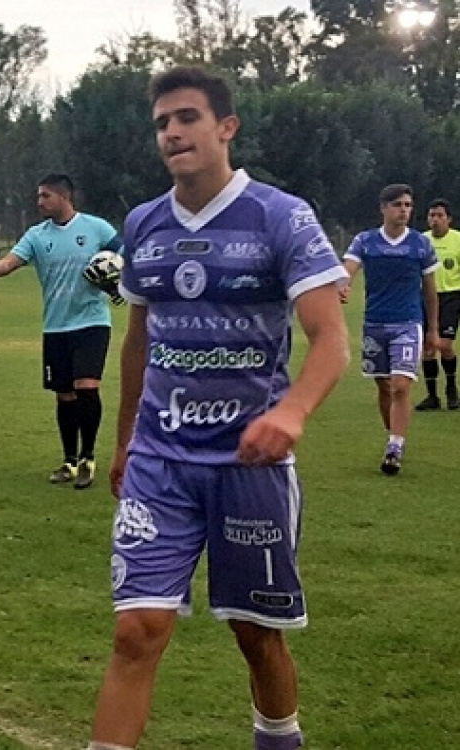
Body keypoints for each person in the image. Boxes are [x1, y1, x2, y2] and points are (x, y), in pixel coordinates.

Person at [88, 67, 349, 750]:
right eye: (161, 124)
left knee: (256, 634)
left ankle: (279, 737)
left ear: (226, 127)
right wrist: (123, 441)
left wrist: (291, 414)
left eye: (187, 118)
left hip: (248, 466)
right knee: (135, 631)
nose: (172, 133)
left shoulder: (281, 216)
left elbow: (330, 339)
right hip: (160, 461)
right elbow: (138, 341)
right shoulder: (144, 223)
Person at [0, 173, 123, 489]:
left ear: (64, 196)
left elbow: (127, 255)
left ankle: (87, 457)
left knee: (87, 387)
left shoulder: (97, 228)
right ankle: (69, 461)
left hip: (92, 323)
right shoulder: (37, 235)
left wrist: (117, 275)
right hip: (56, 326)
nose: (39, 202)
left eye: (45, 196)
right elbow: (6, 264)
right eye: (39, 196)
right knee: (65, 395)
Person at [341, 184, 439, 475]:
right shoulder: (366, 241)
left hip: (408, 323)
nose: (404, 211)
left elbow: (430, 291)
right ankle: (394, 437)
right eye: (397, 205)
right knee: (384, 386)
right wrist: (343, 285)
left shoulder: (420, 244)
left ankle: (395, 446)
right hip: (375, 324)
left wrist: (433, 329)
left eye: (408, 205)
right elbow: (348, 269)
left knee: (401, 385)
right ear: (383, 208)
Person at [415, 198, 460, 411]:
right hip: (425, 297)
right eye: (432, 215)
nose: (435, 219)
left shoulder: (457, 240)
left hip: (451, 297)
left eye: (439, 215)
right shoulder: (421, 241)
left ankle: (451, 388)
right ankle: (432, 396)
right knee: (428, 348)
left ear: (448, 219)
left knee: (445, 345)